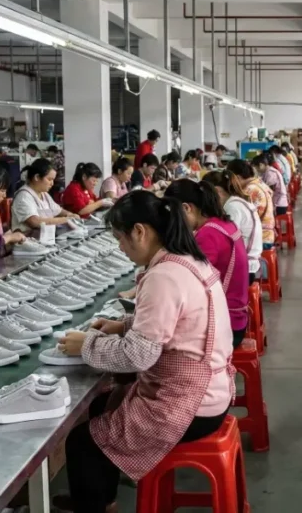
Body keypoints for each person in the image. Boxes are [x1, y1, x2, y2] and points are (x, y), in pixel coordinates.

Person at [54, 191, 233, 513]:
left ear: (140, 231)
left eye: (120, 238)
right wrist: (122, 325)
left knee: (82, 442)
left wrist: (87, 344)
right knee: (100, 409)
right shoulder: (188, 261)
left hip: (190, 404)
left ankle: (94, 504)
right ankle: (96, 497)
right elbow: (176, 323)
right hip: (209, 391)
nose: (120, 248)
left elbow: (138, 356)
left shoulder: (164, 276)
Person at [166, 179, 249, 346]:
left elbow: (192, 282)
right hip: (236, 317)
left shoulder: (208, 234)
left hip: (226, 325)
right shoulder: (222, 223)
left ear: (186, 208)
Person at [203, 171, 262, 283]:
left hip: (244, 269)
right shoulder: (236, 202)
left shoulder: (233, 207)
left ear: (217, 191)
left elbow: (224, 240)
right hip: (247, 264)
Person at [11, 158, 77, 235]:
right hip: (27, 242)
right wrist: (65, 220)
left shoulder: (44, 194)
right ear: (37, 177)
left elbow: (58, 210)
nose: (52, 183)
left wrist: (69, 214)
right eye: (49, 179)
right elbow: (34, 221)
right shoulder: (24, 196)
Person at [226, 159, 275, 249]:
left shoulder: (249, 191)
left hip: (261, 239)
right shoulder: (260, 183)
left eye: (230, 180)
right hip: (267, 235)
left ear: (237, 177)